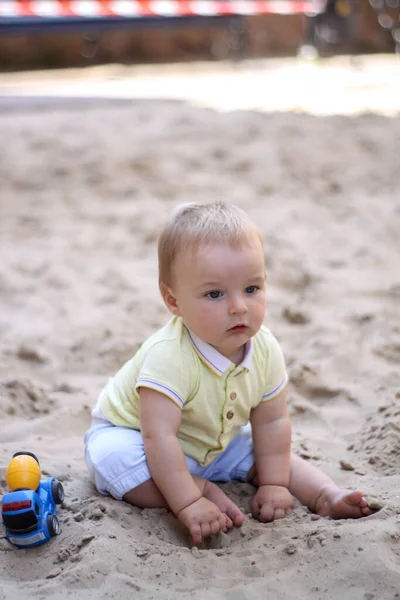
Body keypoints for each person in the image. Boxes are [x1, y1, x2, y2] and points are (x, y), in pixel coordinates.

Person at [84, 202, 371, 546]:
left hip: (213, 441)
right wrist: (190, 500)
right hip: (137, 436)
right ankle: (198, 485)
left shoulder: (264, 349)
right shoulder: (169, 356)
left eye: (252, 289)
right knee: (111, 460)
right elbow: (158, 437)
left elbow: (271, 423)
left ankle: (326, 494)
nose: (239, 306)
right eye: (215, 294)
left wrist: (274, 483)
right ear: (173, 300)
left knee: (263, 452)